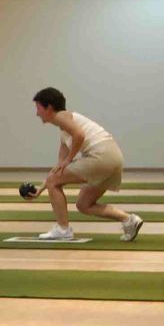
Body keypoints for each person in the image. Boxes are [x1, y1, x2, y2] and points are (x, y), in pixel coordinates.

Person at [29, 87, 144, 242]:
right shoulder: (63, 129)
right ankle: (128, 220)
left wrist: (70, 158)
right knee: (84, 204)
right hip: (113, 157)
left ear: (49, 107)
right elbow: (57, 169)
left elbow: (79, 135)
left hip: (101, 156)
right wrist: (40, 189)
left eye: (38, 108)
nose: (37, 113)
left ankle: (63, 229)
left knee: (55, 182)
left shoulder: (61, 116)